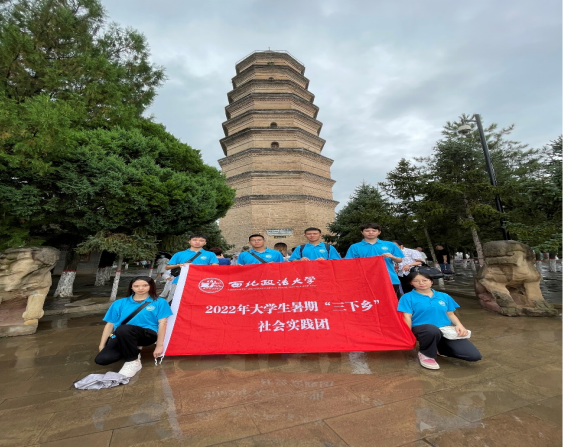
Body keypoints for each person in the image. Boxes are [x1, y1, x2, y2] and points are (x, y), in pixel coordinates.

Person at [398, 272, 482, 370]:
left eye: (425, 280)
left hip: (444, 329)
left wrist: (460, 325)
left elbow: (450, 314)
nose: (421, 283)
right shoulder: (407, 297)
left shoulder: (444, 296)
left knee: (473, 355)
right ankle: (426, 354)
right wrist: (408, 334)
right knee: (431, 330)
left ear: (431, 281)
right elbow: (407, 317)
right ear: (411, 283)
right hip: (422, 329)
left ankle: (439, 349)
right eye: (416, 281)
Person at [95, 276, 173, 378]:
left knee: (124, 329)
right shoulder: (119, 303)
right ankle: (134, 349)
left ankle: (133, 361)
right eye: (136, 286)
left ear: (151, 286)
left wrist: (159, 345)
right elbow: (110, 324)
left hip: (147, 334)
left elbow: (162, 323)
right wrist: (102, 345)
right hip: (122, 334)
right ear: (131, 287)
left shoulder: (160, 302)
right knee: (102, 359)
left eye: (145, 285)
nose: (140, 288)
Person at [345, 223, 404, 299]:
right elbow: (349, 263)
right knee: (369, 302)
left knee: (389, 302)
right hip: (365, 280)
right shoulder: (355, 247)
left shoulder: (390, 245)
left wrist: (392, 256)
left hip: (389, 278)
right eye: (367, 231)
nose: (370, 232)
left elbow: (399, 260)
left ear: (379, 232)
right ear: (362, 232)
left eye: (374, 231)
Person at [166, 234, 219, 301]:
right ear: (189, 241)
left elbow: (215, 268)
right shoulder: (179, 254)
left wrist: (196, 267)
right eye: (194, 240)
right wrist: (179, 265)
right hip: (180, 282)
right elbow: (167, 267)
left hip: (201, 283)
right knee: (175, 302)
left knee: (199, 302)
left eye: (201, 240)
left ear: (205, 243)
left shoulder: (210, 254)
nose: (197, 242)